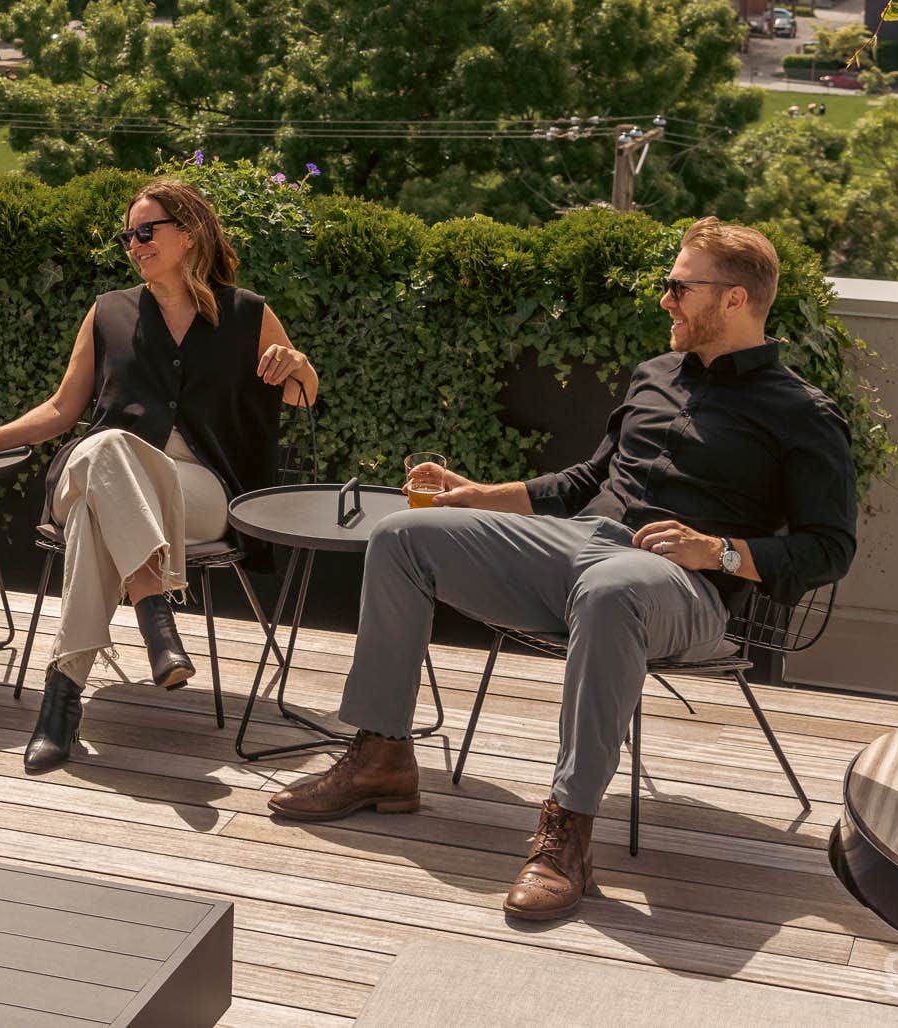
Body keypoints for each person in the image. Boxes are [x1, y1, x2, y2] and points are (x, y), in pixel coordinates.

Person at [268, 219, 857, 921]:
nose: (664, 300)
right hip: (577, 546)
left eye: (678, 287)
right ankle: (381, 756)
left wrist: (719, 551)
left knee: (612, 589)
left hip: (684, 591)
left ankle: (567, 830)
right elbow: (586, 480)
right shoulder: (654, 376)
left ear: (734, 300)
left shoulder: (803, 414)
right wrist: (478, 496)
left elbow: (831, 547)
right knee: (401, 535)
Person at [0, 180, 315, 773]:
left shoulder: (247, 313)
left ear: (189, 233)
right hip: (94, 470)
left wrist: (297, 364)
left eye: (147, 231)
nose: (134, 244)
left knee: (98, 513)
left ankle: (61, 701)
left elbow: (303, 395)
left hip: (195, 490)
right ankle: (153, 612)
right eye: (128, 235)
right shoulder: (108, 312)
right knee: (106, 448)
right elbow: (63, 410)